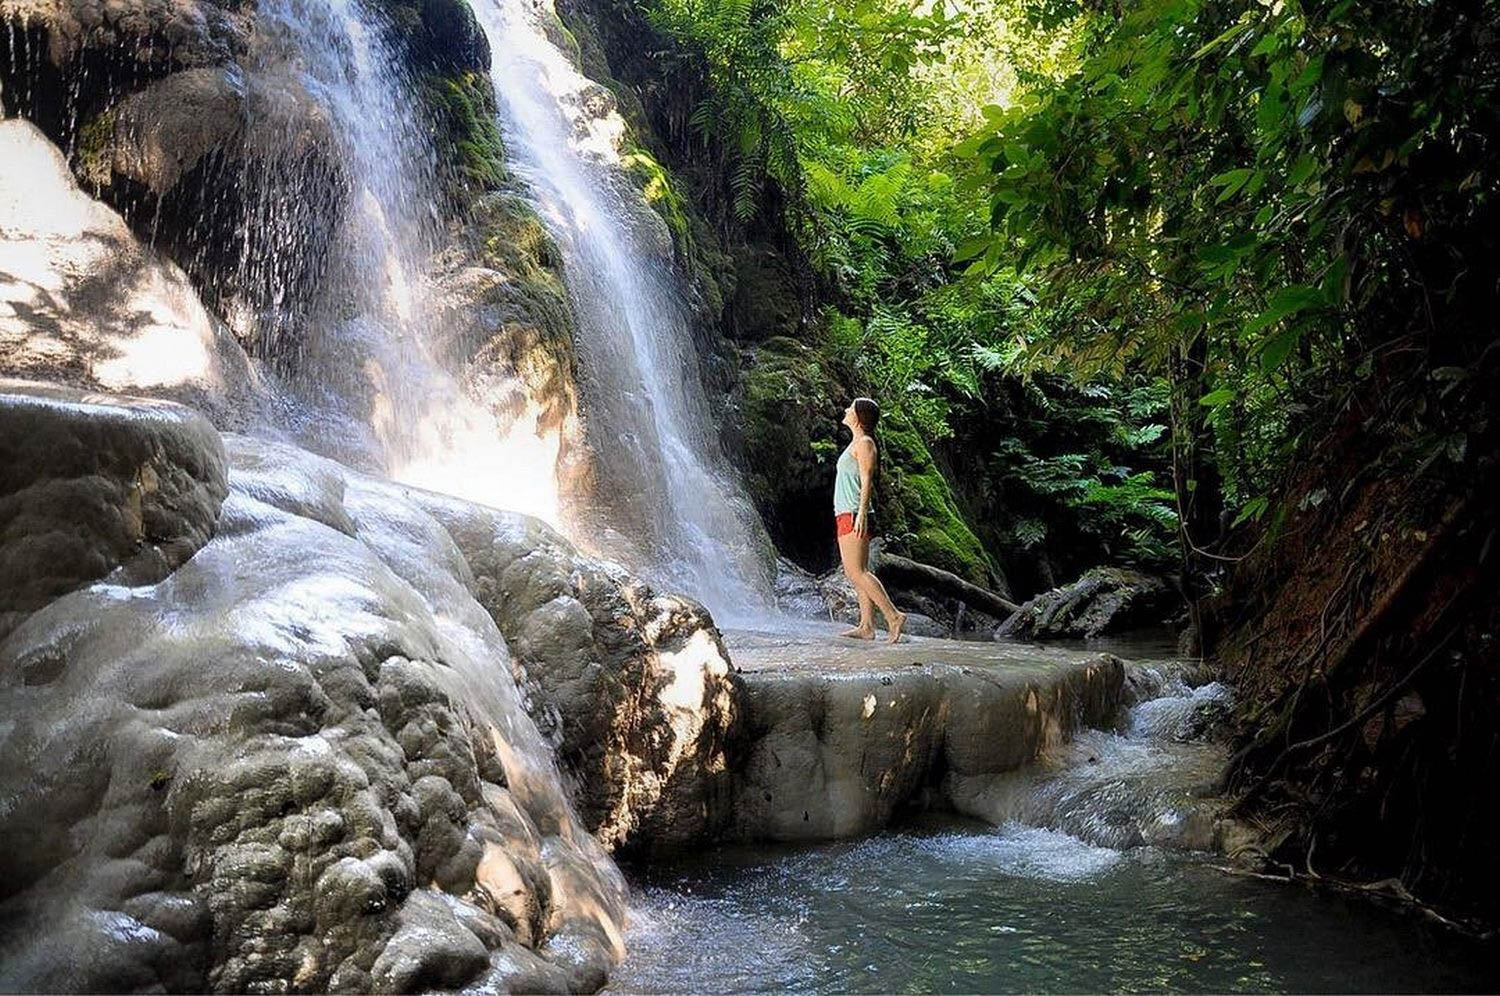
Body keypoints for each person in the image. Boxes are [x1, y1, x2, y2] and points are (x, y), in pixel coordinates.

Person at [833, 397, 905, 642]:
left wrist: (862, 512)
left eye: (850, 408)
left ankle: (893, 615)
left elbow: (867, 479)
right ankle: (866, 626)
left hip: (854, 512)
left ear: (859, 417)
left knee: (856, 572)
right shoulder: (856, 442)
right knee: (858, 571)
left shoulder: (864, 443)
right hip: (847, 511)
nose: (846, 410)